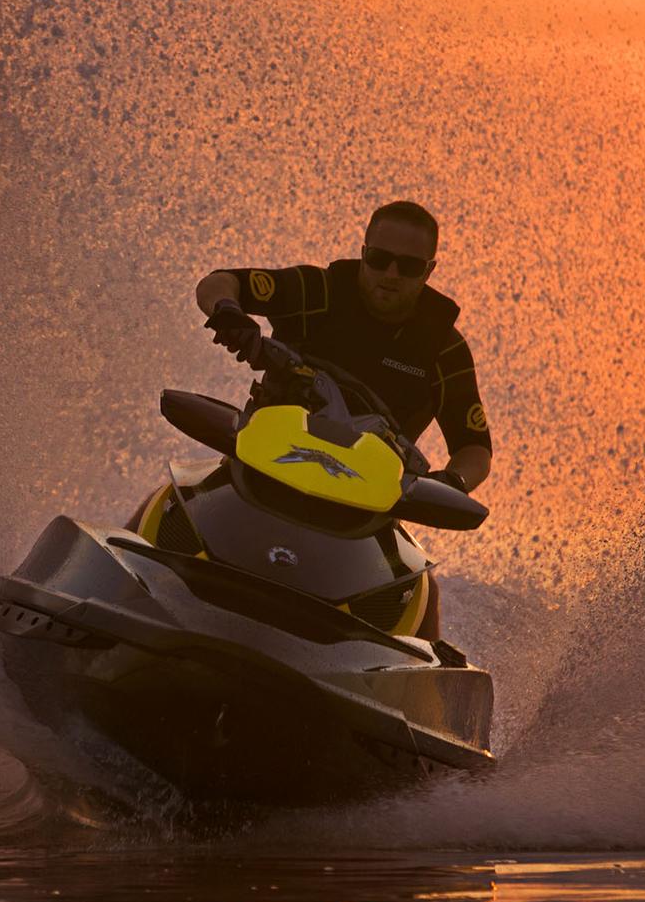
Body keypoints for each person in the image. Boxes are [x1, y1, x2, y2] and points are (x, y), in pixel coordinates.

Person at [193, 200, 492, 642]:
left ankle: (422, 670)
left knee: (422, 587)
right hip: (257, 469)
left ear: (429, 271)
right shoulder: (316, 291)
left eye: (409, 266)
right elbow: (219, 282)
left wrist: (453, 482)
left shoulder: (444, 349)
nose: (391, 274)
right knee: (175, 499)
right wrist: (228, 312)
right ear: (364, 252)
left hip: (366, 513)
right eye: (380, 259)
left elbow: (475, 448)